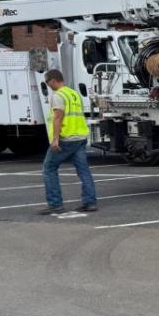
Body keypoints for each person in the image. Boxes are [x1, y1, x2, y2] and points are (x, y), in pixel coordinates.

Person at [40, 69, 98, 215]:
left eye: (47, 82)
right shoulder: (73, 93)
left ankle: (55, 204)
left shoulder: (58, 95)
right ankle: (90, 202)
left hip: (66, 138)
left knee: (49, 168)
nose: (48, 85)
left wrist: (55, 139)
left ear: (53, 80)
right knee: (83, 171)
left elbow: (58, 117)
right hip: (80, 137)